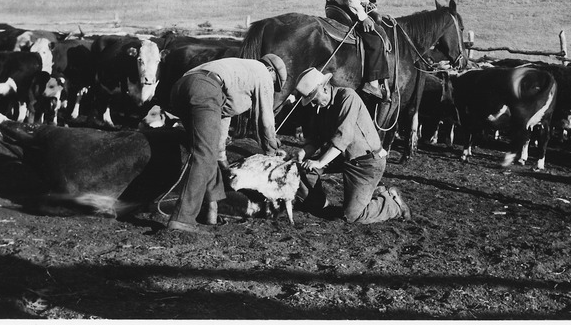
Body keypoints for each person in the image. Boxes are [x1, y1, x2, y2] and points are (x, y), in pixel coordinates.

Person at [166, 54, 288, 234]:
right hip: (205, 89)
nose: (271, 87)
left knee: (207, 151)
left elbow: (222, 118)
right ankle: (182, 219)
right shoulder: (262, 73)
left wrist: (221, 156)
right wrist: (272, 152)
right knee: (204, 155)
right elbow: (266, 120)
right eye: (274, 82)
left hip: (182, 87)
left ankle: (211, 210)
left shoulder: (238, 72)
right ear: (271, 70)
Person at [290, 67, 411, 224]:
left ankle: (392, 204)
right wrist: (302, 153)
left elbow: (343, 137)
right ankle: (319, 204)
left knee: (353, 216)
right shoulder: (320, 107)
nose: (313, 104)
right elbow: (315, 139)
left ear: (324, 88)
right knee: (305, 170)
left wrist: (319, 162)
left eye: (314, 98)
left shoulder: (347, 97)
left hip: (366, 162)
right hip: (343, 156)